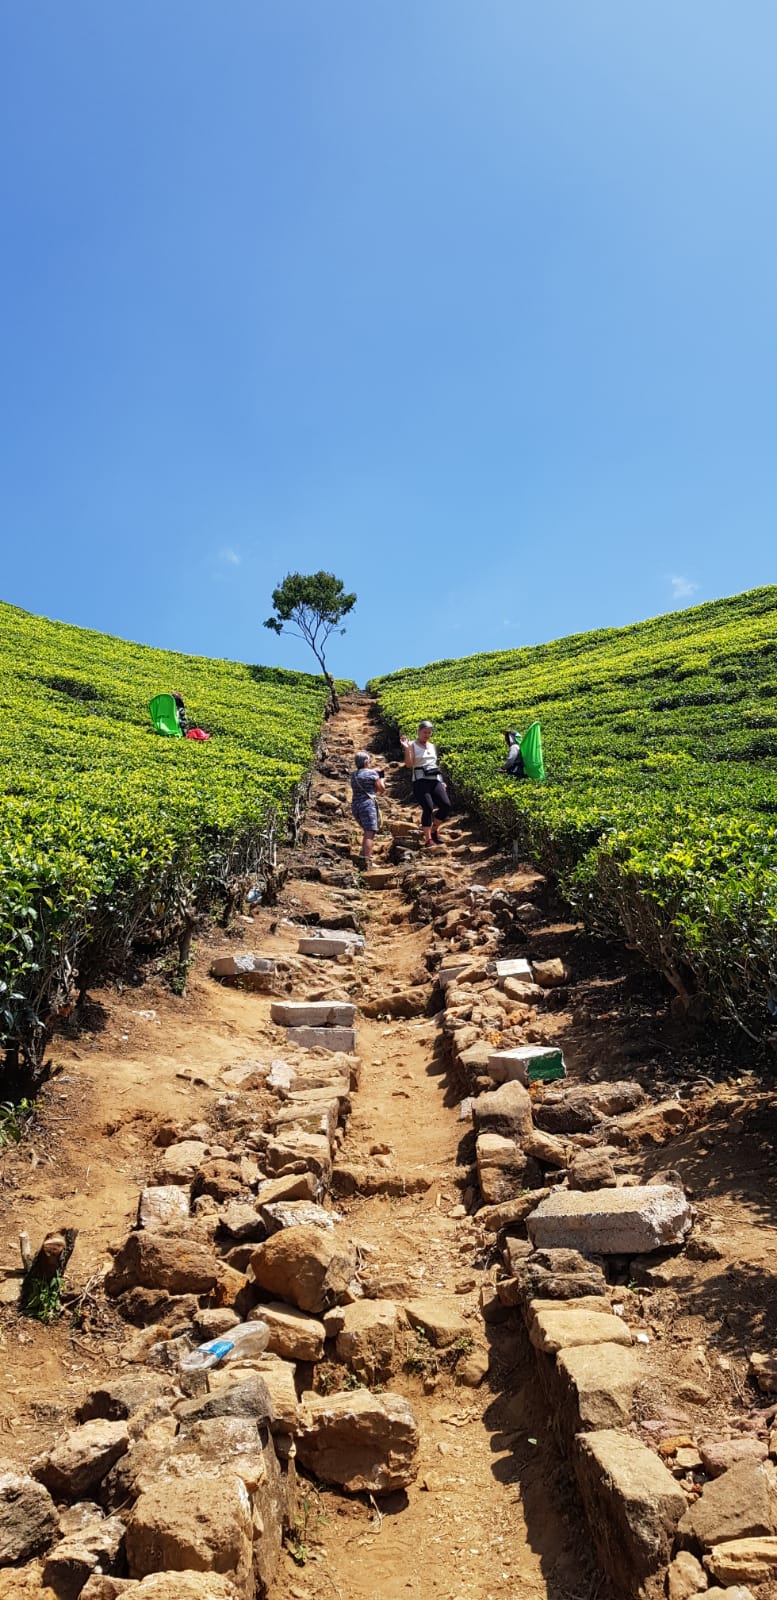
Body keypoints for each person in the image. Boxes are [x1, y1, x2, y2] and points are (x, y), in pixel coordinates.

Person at [399, 720, 452, 847]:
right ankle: (428, 839)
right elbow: (409, 764)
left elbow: (434, 765)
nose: (427, 735)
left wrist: (441, 781)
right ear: (418, 732)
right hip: (420, 781)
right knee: (428, 807)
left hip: (435, 780)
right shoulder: (412, 745)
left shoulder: (432, 746)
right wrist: (407, 749)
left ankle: (434, 830)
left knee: (446, 805)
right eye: (424, 732)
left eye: (429, 733)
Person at [349, 751, 386, 863]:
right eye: (369, 761)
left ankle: (363, 854)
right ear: (366, 762)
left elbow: (364, 779)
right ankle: (366, 860)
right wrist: (382, 778)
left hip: (355, 805)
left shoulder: (353, 775)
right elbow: (381, 789)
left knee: (366, 831)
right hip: (368, 805)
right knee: (370, 832)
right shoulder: (372, 774)